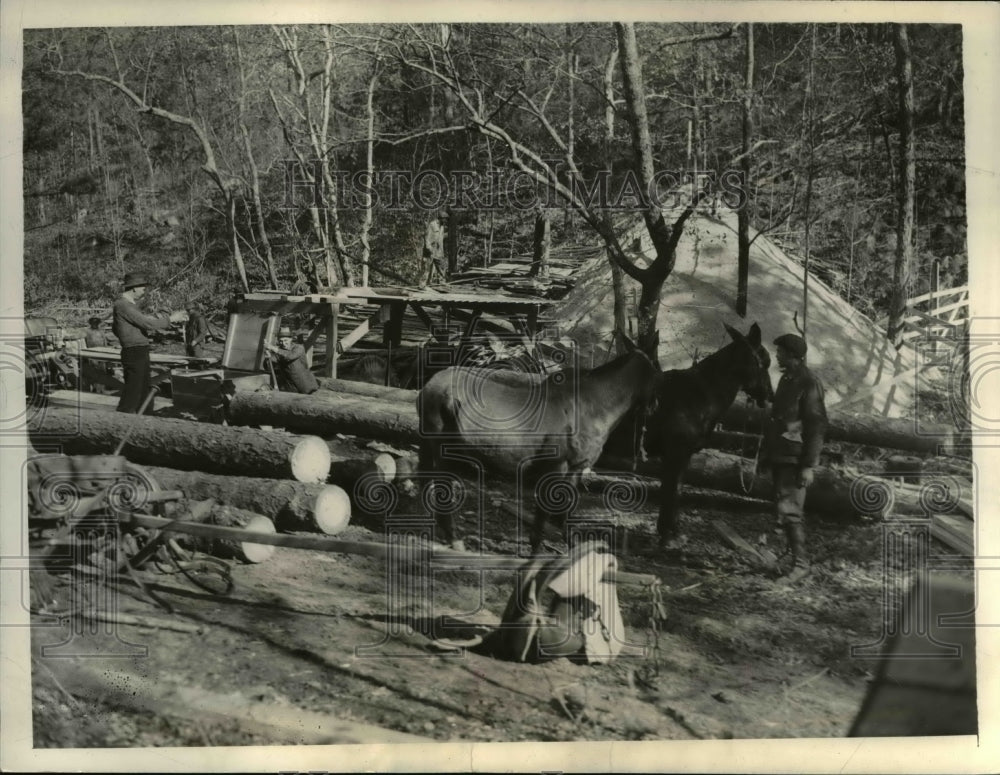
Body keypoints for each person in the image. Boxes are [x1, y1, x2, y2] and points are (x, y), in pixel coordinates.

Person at [762, 333, 827, 584]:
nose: (777, 355)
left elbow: (817, 425)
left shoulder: (808, 382)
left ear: (792, 355)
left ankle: (801, 566)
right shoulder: (787, 380)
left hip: (796, 459)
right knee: (784, 508)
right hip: (782, 456)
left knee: (791, 512)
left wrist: (809, 465)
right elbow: (781, 418)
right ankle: (793, 559)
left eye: (780, 352)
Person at [112, 272, 173, 414]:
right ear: (134, 288)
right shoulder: (123, 305)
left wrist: (128, 335)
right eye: (143, 288)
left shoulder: (129, 305)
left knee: (144, 386)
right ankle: (122, 419)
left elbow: (116, 328)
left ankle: (146, 417)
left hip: (139, 350)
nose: (144, 291)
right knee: (134, 389)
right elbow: (147, 324)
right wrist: (171, 319)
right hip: (134, 351)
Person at [264, 326, 319, 394]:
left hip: (306, 385)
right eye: (281, 341)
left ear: (291, 339)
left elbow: (290, 356)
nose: (283, 343)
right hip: (290, 386)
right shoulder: (278, 352)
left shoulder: (298, 348)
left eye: (285, 340)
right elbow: (269, 366)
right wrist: (267, 358)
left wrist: (273, 348)